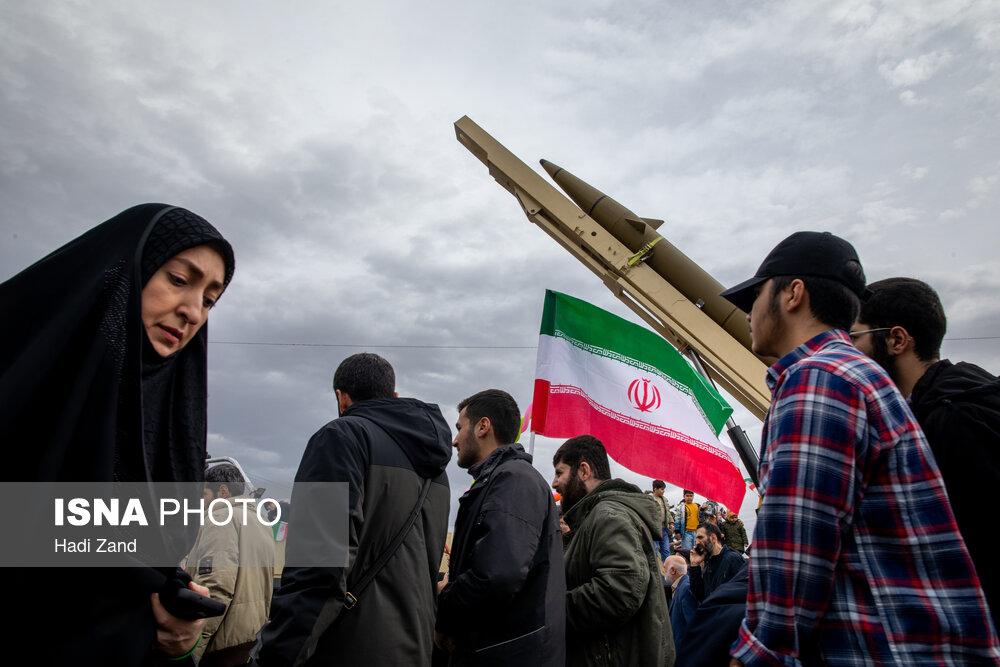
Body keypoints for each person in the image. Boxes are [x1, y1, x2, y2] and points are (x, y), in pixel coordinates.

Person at [719, 231, 999, 665]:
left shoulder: (817, 379)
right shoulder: (857, 374)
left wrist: (757, 653)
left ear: (794, 294)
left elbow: (796, 549)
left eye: (756, 295)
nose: (749, 312)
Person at [1, 204, 236, 665]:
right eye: (178, 279)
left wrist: (177, 630)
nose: (193, 311)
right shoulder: (26, 388)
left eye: (210, 300)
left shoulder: (163, 432)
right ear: (126, 271)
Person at [256, 353, 452, 666]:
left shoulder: (341, 438)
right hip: (416, 647)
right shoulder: (437, 471)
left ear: (342, 398)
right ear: (394, 396)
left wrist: (276, 655)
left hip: (348, 647)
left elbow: (319, 568)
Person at [853, 276, 1000, 627]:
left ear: (896, 340)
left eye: (854, 338)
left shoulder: (952, 420)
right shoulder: (958, 401)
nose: (845, 353)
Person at [435, 390, 564, 666]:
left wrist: (445, 600)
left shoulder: (514, 480)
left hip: (506, 653)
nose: (455, 440)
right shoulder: (497, 480)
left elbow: (497, 576)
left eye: (459, 427)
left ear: (483, 426)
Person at [552, 435, 674, 667]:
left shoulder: (608, 515)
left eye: (559, 473)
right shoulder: (596, 517)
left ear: (584, 471)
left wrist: (553, 609)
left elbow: (621, 590)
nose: (554, 483)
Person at [187, 463, 274, 666]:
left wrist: (192, 650)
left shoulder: (221, 517)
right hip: (248, 638)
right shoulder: (260, 520)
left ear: (223, 491)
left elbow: (215, 586)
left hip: (219, 643)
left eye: (204, 495)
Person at [688, 522, 745, 602]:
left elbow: (743, 593)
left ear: (713, 538)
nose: (697, 542)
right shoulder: (709, 564)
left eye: (700, 538)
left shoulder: (733, 559)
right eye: (696, 539)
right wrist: (694, 565)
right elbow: (700, 596)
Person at [663, 555, 696, 655]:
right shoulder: (680, 586)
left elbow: (692, 624)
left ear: (673, 570)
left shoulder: (686, 589)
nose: (663, 571)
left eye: (664, 567)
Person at [651, 479, 673, 562]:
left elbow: (668, 513)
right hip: (654, 529)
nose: (663, 491)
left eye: (663, 489)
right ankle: (655, 567)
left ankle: (667, 567)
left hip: (664, 528)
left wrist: (671, 522)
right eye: (661, 489)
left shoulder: (664, 500)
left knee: (666, 550)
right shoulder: (649, 499)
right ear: (655, 489)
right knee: (654, 549)